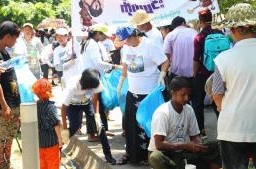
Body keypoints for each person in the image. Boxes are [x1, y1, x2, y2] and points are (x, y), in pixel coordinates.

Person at [116, 26, 169, 165]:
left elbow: (165, 61)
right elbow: (126, 64)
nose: (125, 43)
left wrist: (162, 75)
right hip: (133, 91)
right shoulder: (126, 47)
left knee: (147, 125)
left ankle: (149, 156)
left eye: (127, 40)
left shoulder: (149, 45)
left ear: (134, 35)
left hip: (149, 93)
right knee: (130, 124)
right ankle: (132, 154)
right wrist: (121, 81)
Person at [212, 3, 256, 168]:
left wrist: (221, 106)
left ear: (233, 30)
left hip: (233, 128)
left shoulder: (223, 59)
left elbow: (217, 94)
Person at [148, 76, 221, 169]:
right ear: (173, 93)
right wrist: (186, 146)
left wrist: (197, 144)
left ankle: (184, 165)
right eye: (183, 95)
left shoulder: (189, 109)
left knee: (217, 146)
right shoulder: (163, 112)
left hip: (183, 152)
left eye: (188, 95)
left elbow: (194, 136)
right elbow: (159, 144)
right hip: (166, 152)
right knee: (155, 158)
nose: (186, 98)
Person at [60, 68, 116, 165]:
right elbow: (63, 108)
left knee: (100, 127)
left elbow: (95, 100)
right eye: (89, 88)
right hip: (72, 105)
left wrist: (97, 115)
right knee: (74, 126)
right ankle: (59, 147)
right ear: (85, 85)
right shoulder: (72, 86)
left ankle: (108, 155)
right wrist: (64, 128)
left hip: (87, 103)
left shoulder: (95, 82)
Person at [0, 21, 21, 169]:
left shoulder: (6, 52)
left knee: (11, 135)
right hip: (6, 104)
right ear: (7, 36)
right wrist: (4, 105)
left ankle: (7, 163)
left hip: (13, 102)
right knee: (3, 137)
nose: (16, 41)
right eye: (15, 38)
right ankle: (1, 165)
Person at [80, 24, 122, 137]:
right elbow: (98, 62)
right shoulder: (92, 44)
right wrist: (114, 66)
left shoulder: (88, 42)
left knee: (97, 105)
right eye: (103, 35)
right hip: (93, 77)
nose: (105, 37)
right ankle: (96, 133)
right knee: (96, 105)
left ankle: (100, 131)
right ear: (98, 33)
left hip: (90, 76)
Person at [192, 8, 223, 136]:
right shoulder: (220, 33)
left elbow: (196, 59)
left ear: (200, 21)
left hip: (203, 73)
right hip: (219, 71)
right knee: (218, 99)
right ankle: (222, 127)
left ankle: (201, 130)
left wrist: (194, 74)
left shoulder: (199, 36)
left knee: (198, 102)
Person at [32, 78, 62, 169]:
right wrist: (60, 139)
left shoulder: (35, 106)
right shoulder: (51, 106)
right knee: (53, 165)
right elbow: (56, 123)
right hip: (51, 141)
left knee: (42, 165)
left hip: (40, 141)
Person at [164, 16, 198, 82]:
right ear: (183, 23)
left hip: (177, 74)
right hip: (194, 72)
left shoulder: (170, 35)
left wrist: (170, 61)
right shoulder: (194, 32)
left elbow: (166, 52)